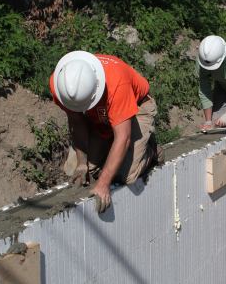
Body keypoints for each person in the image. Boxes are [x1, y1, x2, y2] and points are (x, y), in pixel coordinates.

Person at [50, 51, 160, 213]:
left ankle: (151, 150)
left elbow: (123, 137)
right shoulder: (62, 85)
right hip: (101, 116)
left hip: (136, 108)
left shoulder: (117, 83)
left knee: (127, 175)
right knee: (80, 169)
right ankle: (111, 153)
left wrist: (103, 184)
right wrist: (81, 164)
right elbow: (76, 122)